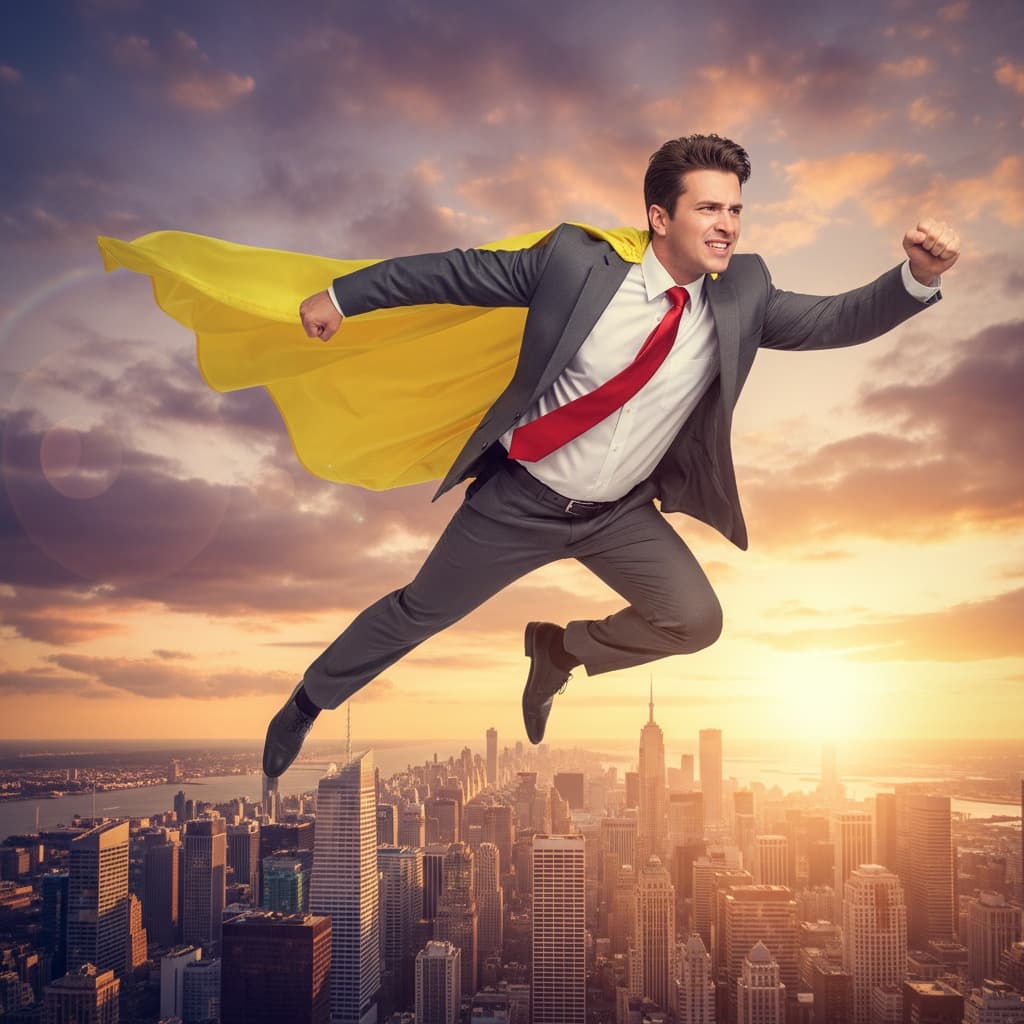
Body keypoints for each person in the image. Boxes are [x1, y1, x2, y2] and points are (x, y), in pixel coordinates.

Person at [261, 133, 960, 778]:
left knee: (696, 622)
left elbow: (837, 319)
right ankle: (306, 703)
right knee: (419, 611)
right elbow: (454, 273)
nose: (727, 225)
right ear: (660, 217)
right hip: (520, 501)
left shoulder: (744, 295)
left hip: (619, 514)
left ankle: (557, 652)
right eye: (709, 207)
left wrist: (914, 276)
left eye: (737, 210)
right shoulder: (575, 265)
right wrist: (344, 296)